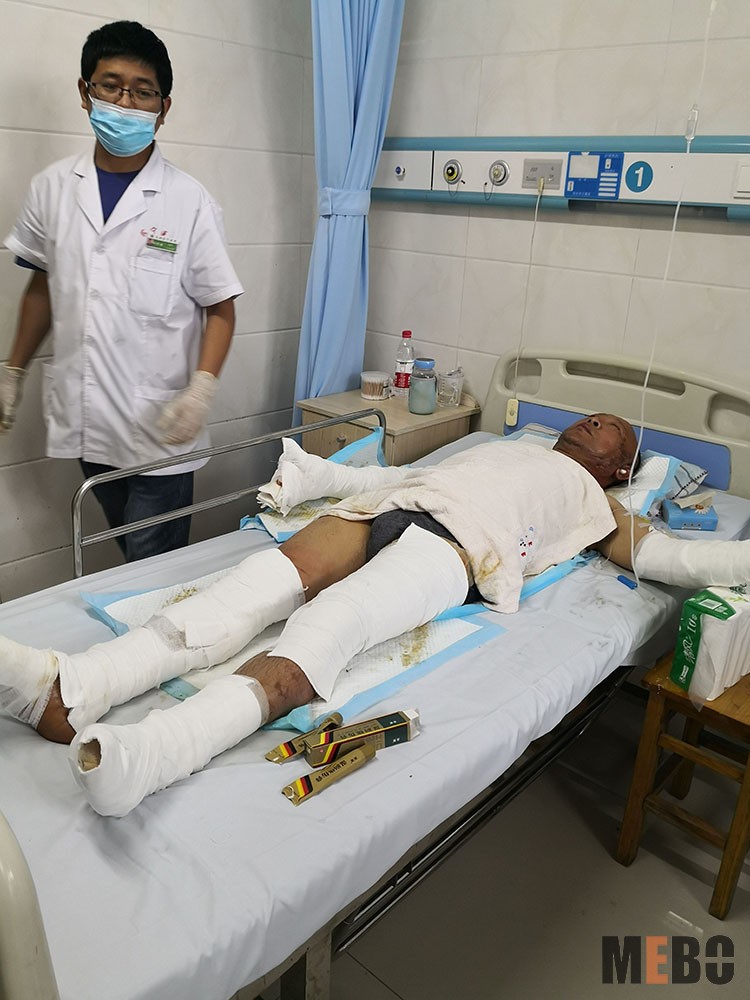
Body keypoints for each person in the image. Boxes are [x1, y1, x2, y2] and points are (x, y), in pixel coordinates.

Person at [2, 414, 748, 817]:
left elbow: (673, 560)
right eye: (590, 416)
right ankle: (70, 687)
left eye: (610, 428)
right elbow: (396, 472)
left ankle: (158, 752)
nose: (592, 421)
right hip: (391, 505)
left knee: (324, 632)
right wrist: (317, 477)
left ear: (620, 467)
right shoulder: (489, 450)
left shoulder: (596, 501)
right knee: (252, 586)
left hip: (457, 549)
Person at [1, 21, 243, 561]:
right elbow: (42, 286)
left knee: (150, 568)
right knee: (128, 557)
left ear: (164, 106)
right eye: (111, 86)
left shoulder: (190, 201)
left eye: (142, 91)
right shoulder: (52, 189)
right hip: (90, 416)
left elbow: (221, 307)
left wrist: (200, 390)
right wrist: (13, 370)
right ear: (85, 92)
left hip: (162, 424)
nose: (125, 102)